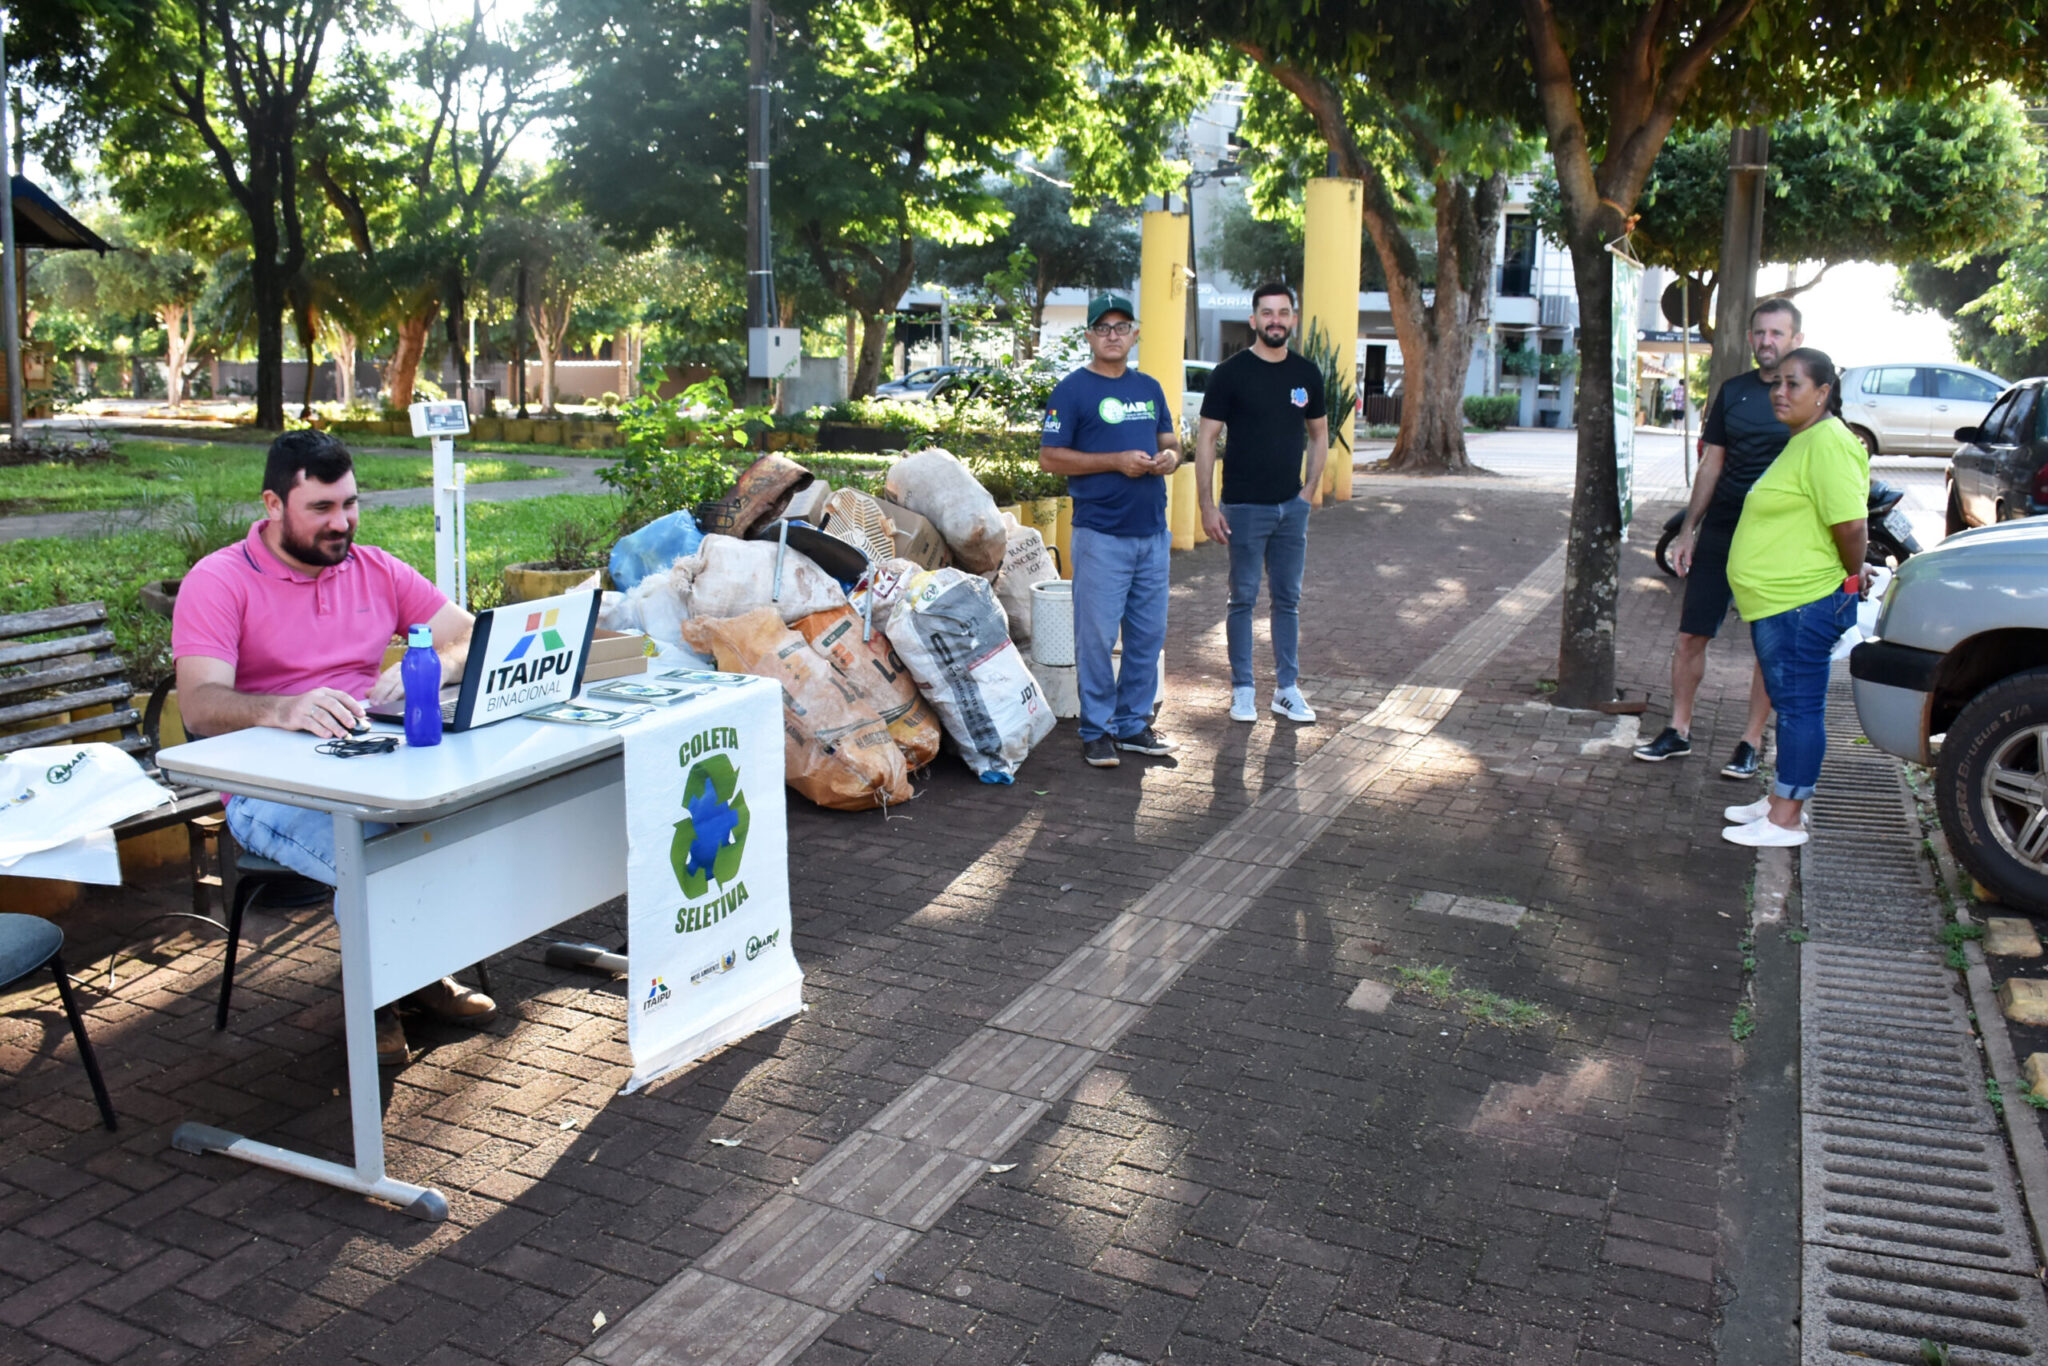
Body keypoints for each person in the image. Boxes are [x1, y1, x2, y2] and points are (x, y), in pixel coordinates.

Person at [172, 430, 496, 1065]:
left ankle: (417, 974)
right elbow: (199, 704)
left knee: (461, 822)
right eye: (321, 508)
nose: (341, 522)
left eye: (349, 504)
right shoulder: (218, 581)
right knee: (375, 854)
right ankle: (377, 997)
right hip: (268, 787)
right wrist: (281, 709)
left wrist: (431, 665)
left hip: (374, 759)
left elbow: (467, 636)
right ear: (272, 505)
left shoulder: (373, 568)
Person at [1634, 298, 1804, 776]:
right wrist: (1689, 529)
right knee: (1692, 634)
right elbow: (1713, 463)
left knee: (1766, 643)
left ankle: (1751, 741)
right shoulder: (1733, 392)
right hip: (1725, 528)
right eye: (1760, 333)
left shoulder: (1811, 393)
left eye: (1777, 333)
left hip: (1780, 537)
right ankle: (1678, 729)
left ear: (1796, 340)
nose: (1766, 341)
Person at [1721, 348, 1869, 847]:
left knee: (1801, 708)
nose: (1780, 392)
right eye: (1777, 383)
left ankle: (1787, 819)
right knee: (1791, 704)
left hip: (1802, 604)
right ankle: (1779, 799)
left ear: (1823, 393)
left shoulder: (1829, 442)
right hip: (1782, 602)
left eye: (1795, 384)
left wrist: (1852, 575)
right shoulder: (1802, 440)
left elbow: (1850, 523)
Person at [1040, 292, 1183, 768]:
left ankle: (1133, 725)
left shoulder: (1149, 388)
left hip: (1152, 533)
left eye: (1122, 327)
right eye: (1103, 328)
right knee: (1097, 638)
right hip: (1100, 534)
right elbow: (1050, 457)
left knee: (1147, 635)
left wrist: (1169, 459)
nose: (1113, 336)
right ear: (1088, 337)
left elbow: (1170, 441)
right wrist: (1114, 463)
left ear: (1135, 334)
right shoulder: (1072, 390)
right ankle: (1096, 729)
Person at [1194, 281, 1328, 724]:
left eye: (1283, 312)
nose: (1275, 320)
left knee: (1288, 600)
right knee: (1242, 600)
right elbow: (1207, 438)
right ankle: (1244, 690)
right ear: (1253, 320)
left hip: (1291, 508)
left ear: (1293, 318)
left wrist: (1307, 493)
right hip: (1243, 508)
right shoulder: (1230, 373)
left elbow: (1319, 433)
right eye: (1267, 312)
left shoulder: (1307, 373)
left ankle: (1286, 690)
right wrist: (1207, 506)